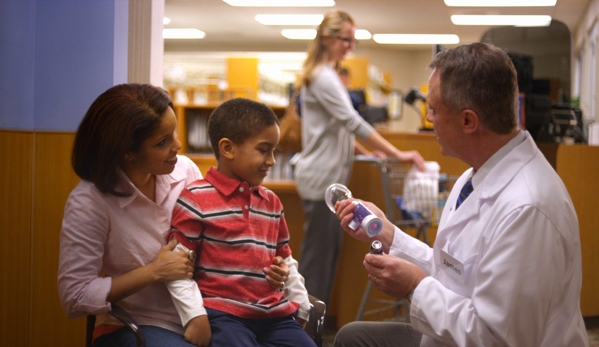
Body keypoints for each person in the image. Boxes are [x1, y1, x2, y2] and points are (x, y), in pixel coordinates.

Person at [333, 43, 590, 347]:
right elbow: (454, 272)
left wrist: (415, 287)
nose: (428, 118)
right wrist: (389, 234)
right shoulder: (477, 174)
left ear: (468, 121)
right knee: (353, 337)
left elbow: (497, 338)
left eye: (434, 109)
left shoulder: (528, 208)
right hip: (456, 332)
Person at [56, 84, 288, 347]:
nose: (178, 145)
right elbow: (74, 296)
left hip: (209, 314)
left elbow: (220, 244)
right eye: (162, 142)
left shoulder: (185, 170)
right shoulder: (89, 201)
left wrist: (269, 266)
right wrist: (154, 271)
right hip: (139, 323)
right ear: (127, 152)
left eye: (174, 132)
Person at [295, 9, 426, 307]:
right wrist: (398, 153)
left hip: (329, 181)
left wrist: (370, 153)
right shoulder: (321, 77)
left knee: (328, 259)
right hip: (320, 181)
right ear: (327, 38)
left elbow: (342, 131)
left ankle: (311, 330)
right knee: (317, 263)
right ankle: (303, 332)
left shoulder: (328, 76)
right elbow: (353, 122)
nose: (350, 47)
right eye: (346, 39)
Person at [166, 98, 316, 347]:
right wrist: (194, 316)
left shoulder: (272, 202)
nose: (272, 161)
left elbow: (285, 259)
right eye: (263, 150)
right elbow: (177, 268)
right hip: (224, 316)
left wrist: (301, 306)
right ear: (227, 148)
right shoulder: (195, 199)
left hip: (274, 315)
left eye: (274, 151)